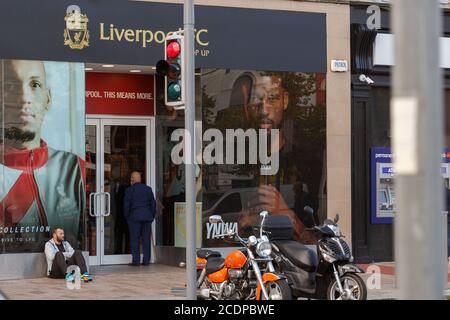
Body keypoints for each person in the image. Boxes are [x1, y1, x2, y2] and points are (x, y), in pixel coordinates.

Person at [0, 60, 85, 251]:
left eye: (34, 85)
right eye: (10, 86)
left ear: (48, 99)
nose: (24, 98)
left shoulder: (73, 168)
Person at [124, 171, 156, 265]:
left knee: (135, 239)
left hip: (134, 218)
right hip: (147, 217)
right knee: (146, 240)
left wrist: (127, 216)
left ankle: (136, 261)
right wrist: (151, 216)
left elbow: (126, 206)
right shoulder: (148, 189)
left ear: (132, 179)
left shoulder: (130, 190)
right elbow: (153, 205)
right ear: (140, 179)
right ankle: (146, 260)